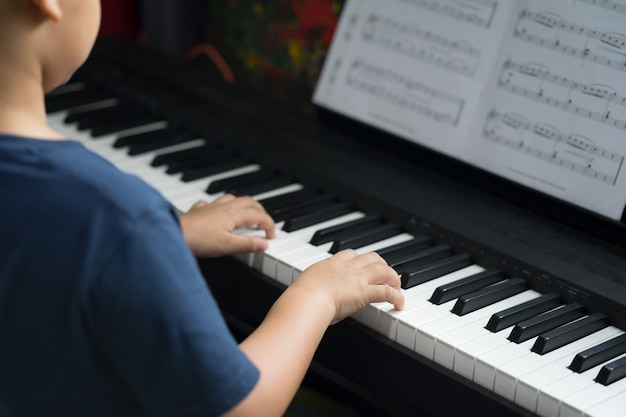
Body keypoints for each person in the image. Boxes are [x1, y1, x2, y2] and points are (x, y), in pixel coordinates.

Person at [0, 1, 405, 416]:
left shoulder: (106, 226)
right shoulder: (116, 218)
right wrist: (315, 295)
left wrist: (164, 239)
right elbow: (240, 409)